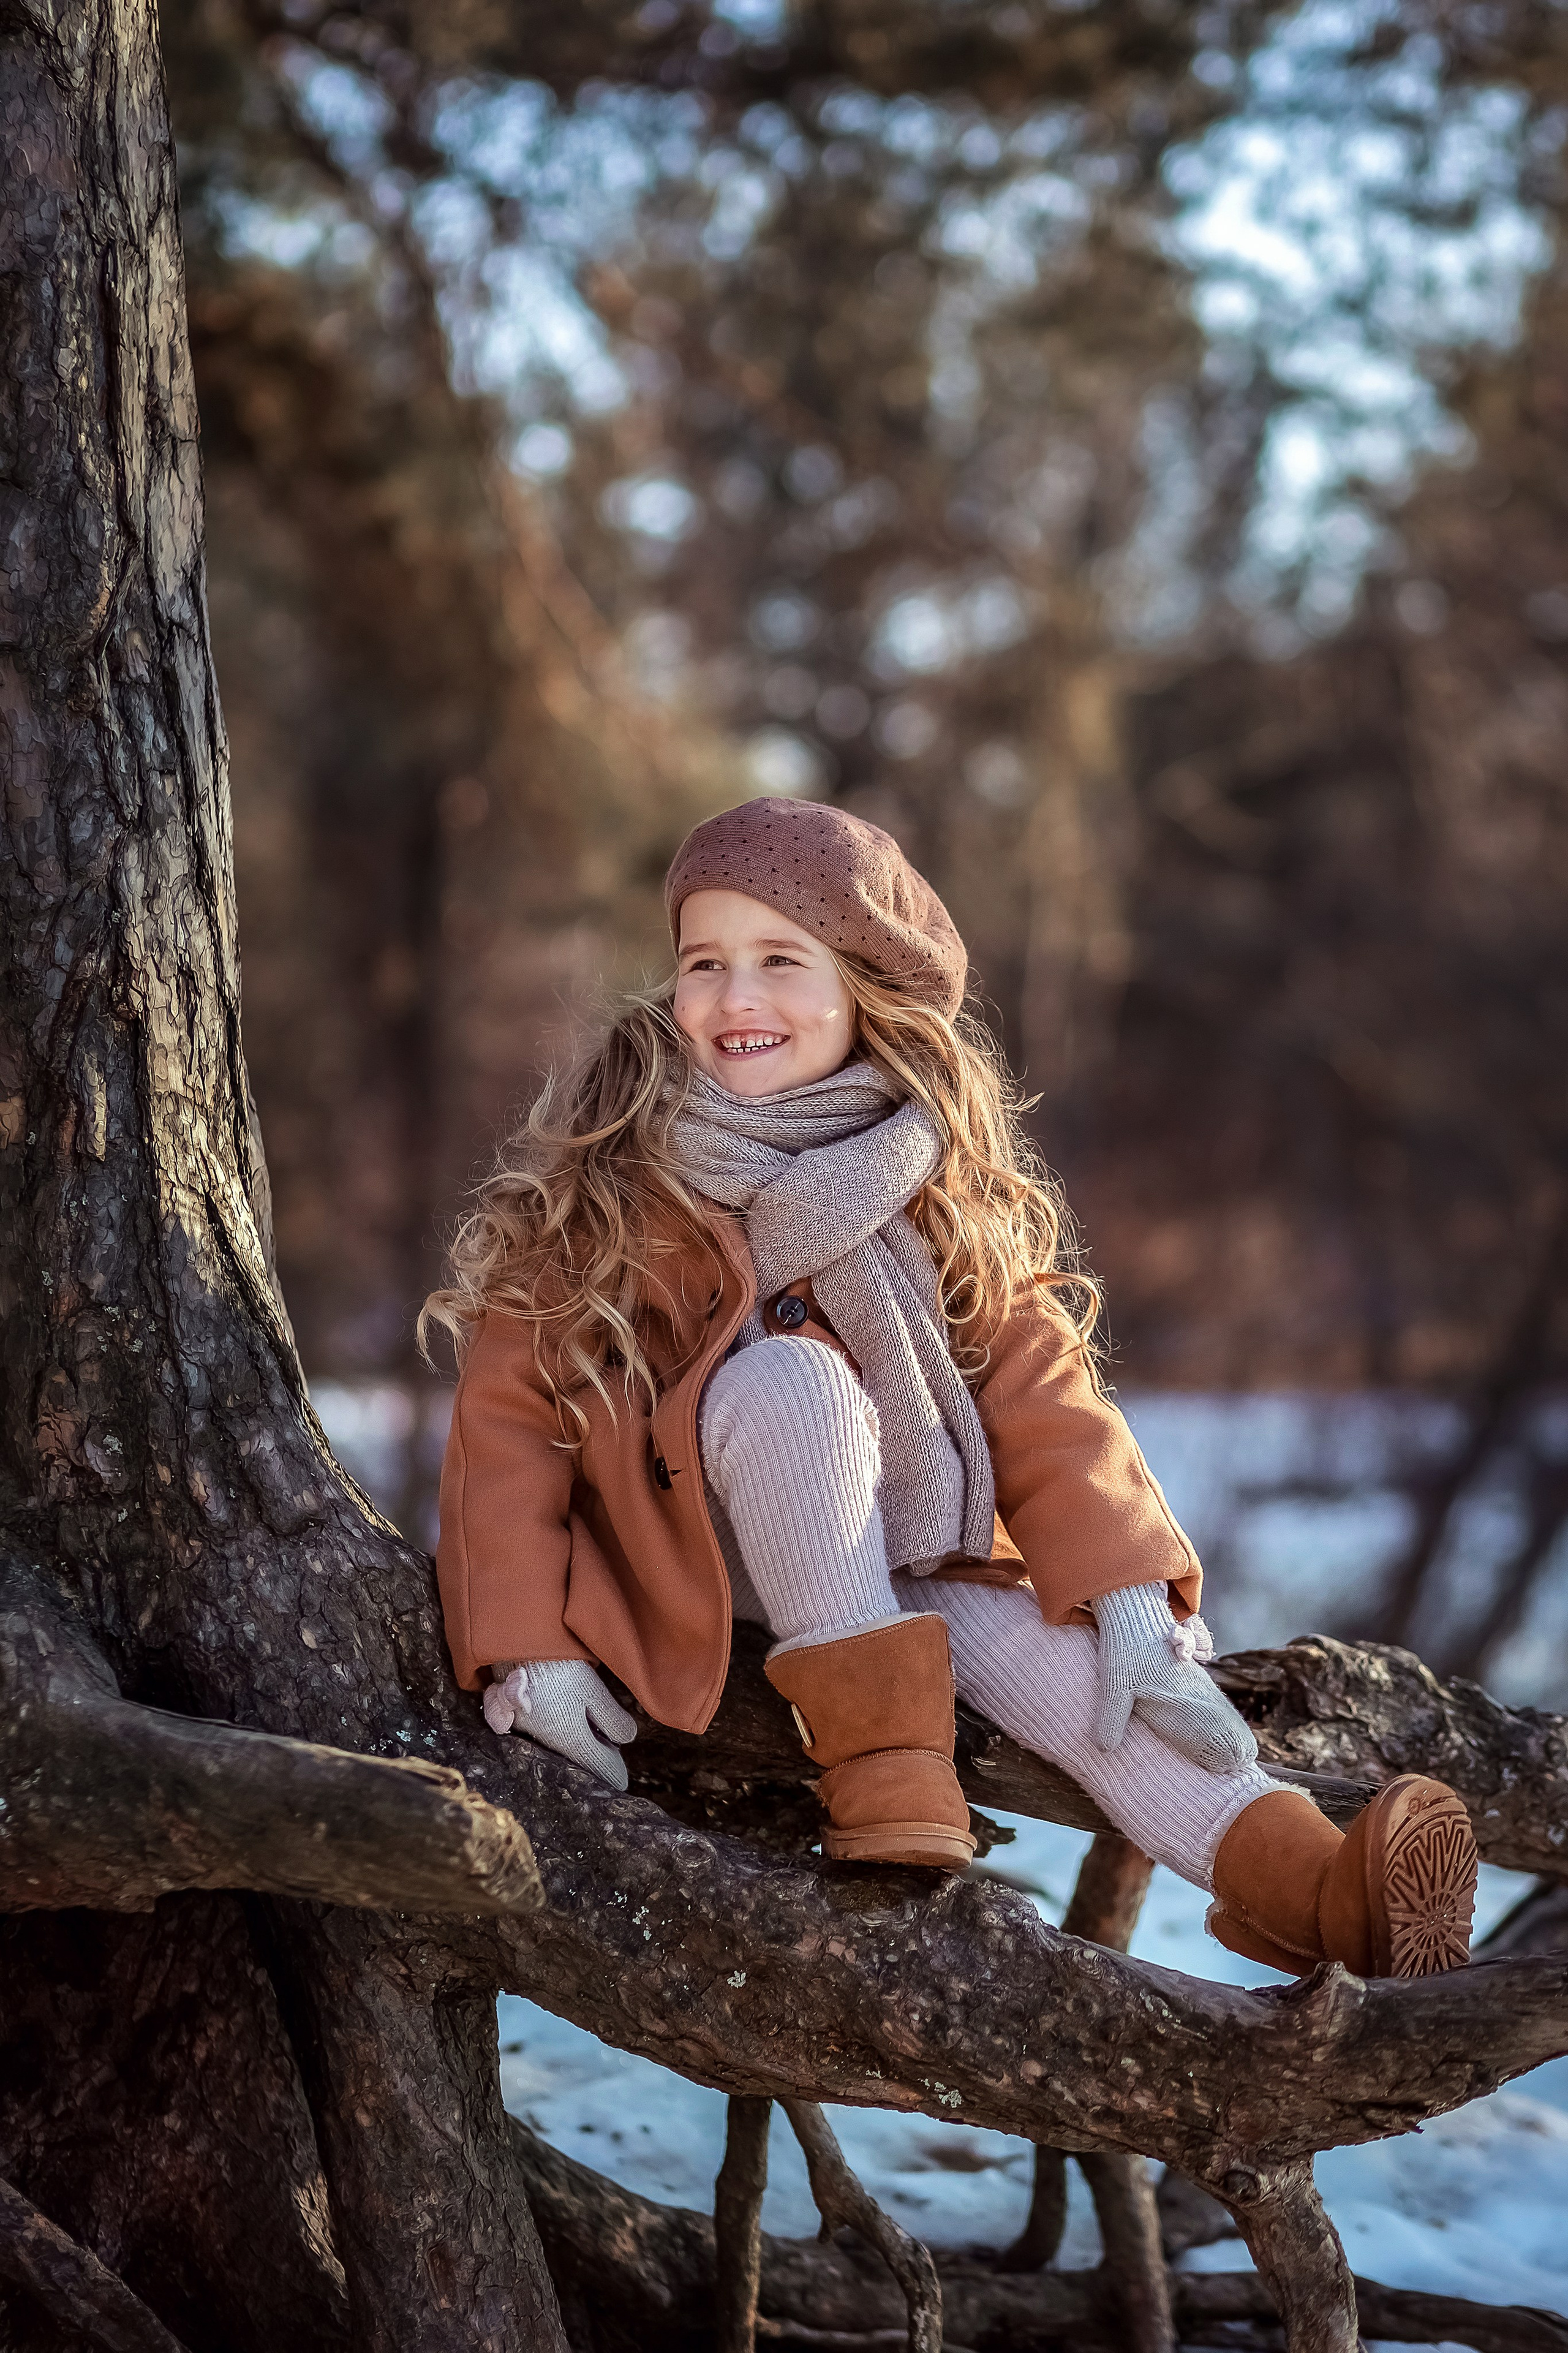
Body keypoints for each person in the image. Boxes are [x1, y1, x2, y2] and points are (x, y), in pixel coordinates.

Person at [425, 796, 1478, 1979]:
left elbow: (1042, 1392)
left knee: (1100, 1684)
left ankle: (1317, 1893)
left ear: (865, 986)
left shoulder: (928, 1175)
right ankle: (886, 1776)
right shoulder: (619, 1164)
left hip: (898, 1553)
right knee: (794, 1383)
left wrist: (1131, 1598)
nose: (735, 999)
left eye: (781, 960)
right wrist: (531, 1643)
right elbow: (507, 1419)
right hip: (690, 1567)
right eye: (704, 962)